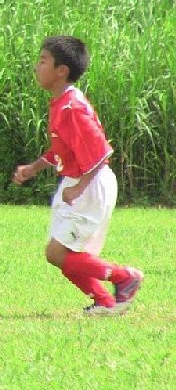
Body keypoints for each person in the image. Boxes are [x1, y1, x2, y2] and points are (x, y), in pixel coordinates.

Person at [12, 36, 143, 316]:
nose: (36, 67)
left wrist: (80, 188)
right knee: (62, 255)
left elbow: (100, 152)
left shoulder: (72, 107)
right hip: (77, 183)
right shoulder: (62, 103)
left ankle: (124, 278)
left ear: (61, 71)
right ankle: (105, 302)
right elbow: (65, 148)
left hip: (90, 185)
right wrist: (34, 167)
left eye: (43, 61)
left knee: (57, 254)